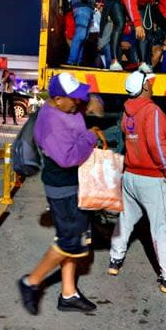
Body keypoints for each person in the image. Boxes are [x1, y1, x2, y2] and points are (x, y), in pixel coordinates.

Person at [18, 72, 102, 314]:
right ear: (57, 98)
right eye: (72, 98)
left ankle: (68, 293)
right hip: (62, 188)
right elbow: (67, 158)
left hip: (75, 185)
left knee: (75, 239)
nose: (77, 102)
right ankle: (31, 282)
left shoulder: (67, 109)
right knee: (69, 241)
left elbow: (86, 106)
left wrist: (92, 103)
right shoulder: (51, 123)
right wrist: (90, 136)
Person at [107, 71, 166, 294]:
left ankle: (115, 259)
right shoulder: (153, 111)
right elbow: (155, 144)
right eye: (149, 83)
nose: (152, 86)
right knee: (161, 227)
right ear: (145, 87)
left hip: (131, 175)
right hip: (151, 178)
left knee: (126, 219)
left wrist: (165, 136)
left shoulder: (127, 112)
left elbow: (137, 137)